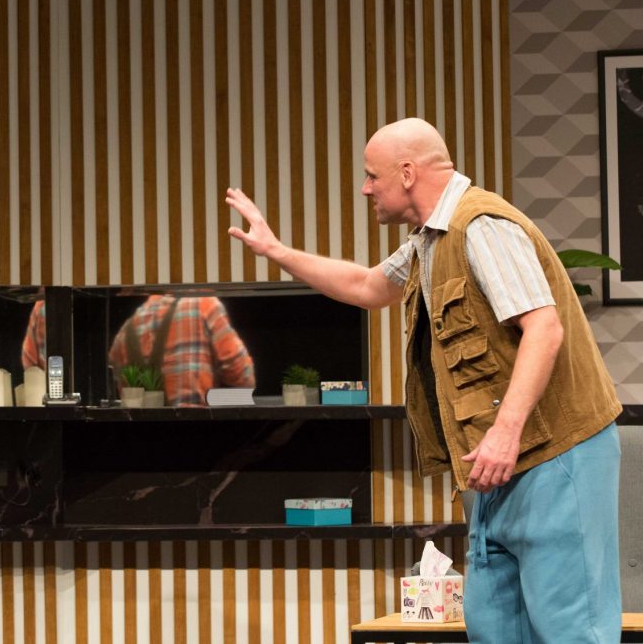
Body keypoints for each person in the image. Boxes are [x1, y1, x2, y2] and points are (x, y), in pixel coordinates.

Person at [227, 117, 622, 643]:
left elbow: (544, 328)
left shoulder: (481, 227)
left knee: (570, 628)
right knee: (495, 626)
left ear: (408, 173)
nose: (366, 188)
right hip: (495, 467)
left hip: (554, 454)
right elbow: (367, 286)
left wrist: (504, 433)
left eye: (373, 176)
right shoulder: (429, 240)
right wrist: (276, 251)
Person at [107, 295, 255, 406]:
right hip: (200, 430)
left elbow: (124, 395)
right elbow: (243, 376)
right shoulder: (205, 306)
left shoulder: (126, 330)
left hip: (141, 435)